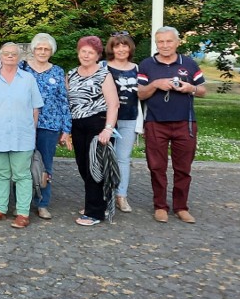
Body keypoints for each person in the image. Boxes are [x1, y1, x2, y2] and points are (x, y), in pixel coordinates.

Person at [137, 27, 206, 224]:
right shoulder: (147, 65)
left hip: (185, 122)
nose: (165, 45)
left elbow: (203, 90)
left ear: (177, 42)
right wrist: (155, 84)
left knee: (183, 168)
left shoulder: (189, 63)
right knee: (157, 167)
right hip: (155, 122)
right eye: (161, 42)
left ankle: (181, 207)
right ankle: (160, 206)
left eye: (169, 41)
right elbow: (140, 94)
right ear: (156, 43)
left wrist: (190, 88)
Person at [0, 43, 44, 229]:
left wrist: (32, 131)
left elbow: (35, 108)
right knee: (0, 174)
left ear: (19, 57)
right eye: (6, 54)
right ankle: (0, 209)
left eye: (14, 54)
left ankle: (22, 213)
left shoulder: (28, 79)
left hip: (22, 135)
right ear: (0, 57)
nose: (10, 56)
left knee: (22, 175)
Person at [67, 36, 120, 227]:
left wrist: (108, 129)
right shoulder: (72, 73)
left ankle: (94, 213)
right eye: (83, 51)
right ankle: (98, 202)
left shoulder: (103, 74)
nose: (86, 55)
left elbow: (113, 104)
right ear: (78, 52)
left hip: (98, 124)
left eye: (91, 52)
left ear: (98, 55)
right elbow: (68, 103)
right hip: (78, 124)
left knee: (94, 168)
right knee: (83, 166)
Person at [18, 33, 72, 220]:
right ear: (33, 50)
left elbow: (63, 101)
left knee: (46, 165)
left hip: (50, 124)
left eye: (46, 49)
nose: (42, 52)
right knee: (22, 164)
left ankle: (42, 203)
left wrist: (66, 129)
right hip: (24, 123)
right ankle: (22, 202)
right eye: (39, 48)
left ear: (51, 51)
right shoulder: (22, 68)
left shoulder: (57, 71)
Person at [106, 31, 139, 213]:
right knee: (104, 158)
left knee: (123, 159)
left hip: (129, 118)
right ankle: (102, 197)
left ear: (130, 48)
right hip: (107, 120)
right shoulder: (104, 67)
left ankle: (121, 195)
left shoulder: (137, 68)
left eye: (124, 45)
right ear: (111, 48)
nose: (121, 49)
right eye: (117, 46)